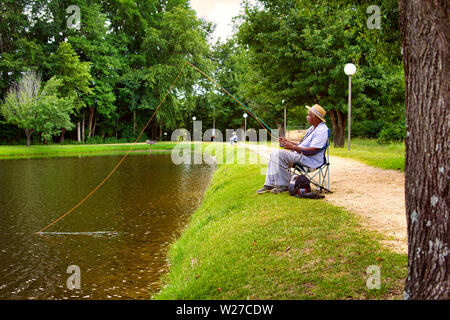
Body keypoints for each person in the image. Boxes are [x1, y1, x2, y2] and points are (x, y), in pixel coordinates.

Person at [257, 104, 329, 194]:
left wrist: (293, 147)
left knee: (278, 154)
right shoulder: (312, 128)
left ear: (317, 118)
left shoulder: (322, 131)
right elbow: (301, 145)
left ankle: (284, 185)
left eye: (310, 115)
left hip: (310, 161)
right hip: (301, 156)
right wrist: (288, 142)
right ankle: (269, 184)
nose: (307, 117)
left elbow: (312, 151)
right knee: (274, 153)